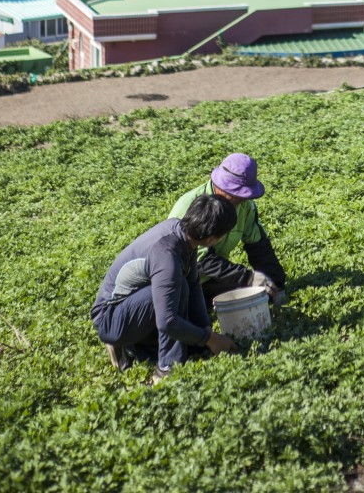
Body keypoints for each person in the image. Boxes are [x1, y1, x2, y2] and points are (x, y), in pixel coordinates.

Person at [92, 194, 237, 382]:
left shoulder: (185, 234)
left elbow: (194, 285)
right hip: (110, 319)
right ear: (211, 238)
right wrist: (210, 339)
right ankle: (165, 370)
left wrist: (206, 331)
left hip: (132, 305)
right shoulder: (167, 256)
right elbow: (167, 321)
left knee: (184, 290)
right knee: (178, 288)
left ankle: (137, 347)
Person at [169, 153, 286, 306]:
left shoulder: (245, 206)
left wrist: (276, 284)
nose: (242, 200)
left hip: (212, 279)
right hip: (183, 283)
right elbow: (200, 260)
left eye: (245, 196)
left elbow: (259, 247)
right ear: (220, 186)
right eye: (237, 196)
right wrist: (247, 278)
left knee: (258, 293)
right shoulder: (191, 205)